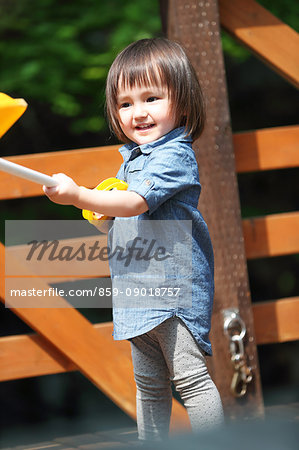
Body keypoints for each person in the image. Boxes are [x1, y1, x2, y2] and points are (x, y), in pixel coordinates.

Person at [44, 37, 224, 441]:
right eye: (125, 103)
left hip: (171, 291)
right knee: (148, 385)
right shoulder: (133, 160)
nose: (137, 113)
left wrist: (78, 195)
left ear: (183, 101)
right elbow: (117, 220)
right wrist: (95, 211)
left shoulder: (174, 155)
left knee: (191, 379)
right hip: (136, 292)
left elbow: (138, 203)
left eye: (151, 98)